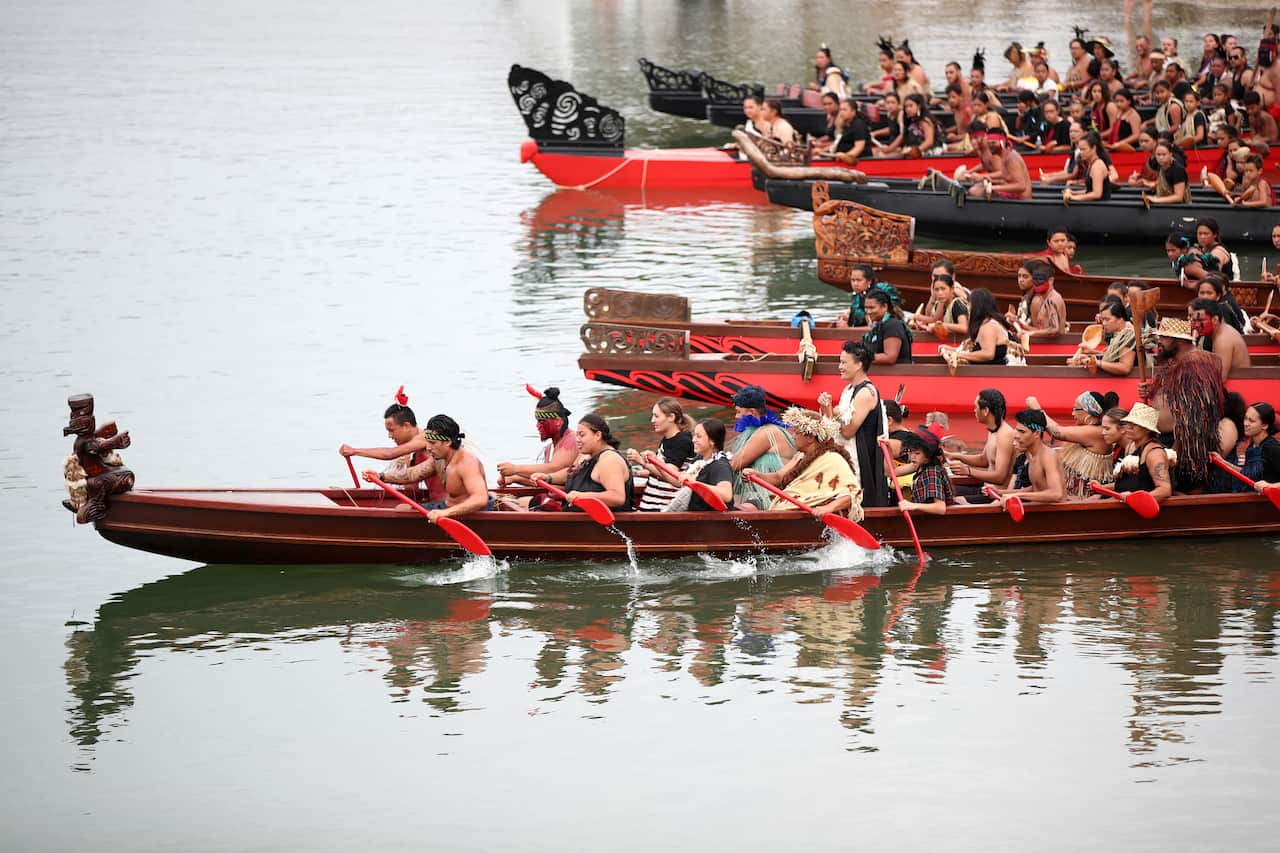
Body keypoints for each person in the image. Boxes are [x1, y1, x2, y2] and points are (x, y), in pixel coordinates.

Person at [1139, 317, 1226, 491]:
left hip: (1183, 447)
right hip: (1166, 441)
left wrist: (1174, 452)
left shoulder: (1195, 366)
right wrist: (1152, 391)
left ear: (1177, 340)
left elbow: (1192, 417)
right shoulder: (1176, 362)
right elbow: (1172, 398)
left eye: (1164, 338)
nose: (1159, 342)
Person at [744, 407, 863, 519]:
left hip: (809, 520)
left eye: (796, 432)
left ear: (810, 438)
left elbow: (853, 494)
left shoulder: (833, 459)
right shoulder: (799, 457)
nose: (793, 436)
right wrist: (757, 475)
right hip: (789, 516)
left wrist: (828, 508)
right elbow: (779, 477)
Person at [371, 414, 493, 520]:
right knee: (402, 508)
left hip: (468, 514)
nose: (428, 448)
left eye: (433, 443)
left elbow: (480, 498)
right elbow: (412, 474)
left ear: (448, 442)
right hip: (446, 508)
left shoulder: (467, 463)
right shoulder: (438, 460)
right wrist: (381, 476)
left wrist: (445, 513)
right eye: (428, 442)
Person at [817, 341, 890, 507]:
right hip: (850, 453)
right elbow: (839, 413)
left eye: (843, 362)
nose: (839, 367)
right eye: (840, 362)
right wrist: (826, 407)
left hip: (862, 459)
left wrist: (828, 410)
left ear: (859, 365)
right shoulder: (849, 389)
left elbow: (848, 431)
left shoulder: (865, 392)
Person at [340, 387, 444, 502]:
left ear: (406, 426)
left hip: (444, 506)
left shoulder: (426, 438)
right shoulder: (412, 452)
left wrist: (354, 451)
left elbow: (390, 453)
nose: (390, 436)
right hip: (435, 503)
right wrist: (404, 464)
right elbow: (411, 490)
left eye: (392, 430)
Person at [531, 413, 634, 511]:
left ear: (598, 435)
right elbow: (571, 473)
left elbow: (617, 497)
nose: (577, 440)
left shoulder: (609, 460)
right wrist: (548, 477)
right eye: (577, 435)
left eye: (582, 435)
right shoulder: (586, 454)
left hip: (596, 525)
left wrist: (582, 496)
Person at [1028, 391, 1120, 497]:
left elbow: (1057, 432)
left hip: (1086, 500)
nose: (1073, 414)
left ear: (1089, 411)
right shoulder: (1088, 431)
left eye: (1076, 409)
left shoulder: (1098, 432)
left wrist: (1037, 409)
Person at [728, 385, 795, 509]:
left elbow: (734, 464)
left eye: (738, 412)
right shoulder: (756, 431)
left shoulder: (767, 432)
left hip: (772, 497)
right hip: (756, 496)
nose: (736, 417)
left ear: (752, 412)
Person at [496, 386, 578, 487]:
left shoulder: (572, 440)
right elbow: (545, 480)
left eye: (542, 421)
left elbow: (554, 469)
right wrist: (515, 478)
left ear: (558, 422)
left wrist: (515, 469)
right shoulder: (549, 449)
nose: (537, 426)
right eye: (537, 421)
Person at [626, 397, 696, 512]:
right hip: (652, 505)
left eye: (656, 416)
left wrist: (643, 461)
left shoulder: (681, 441)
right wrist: (636, 473)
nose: (652, 420)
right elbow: (659, 472)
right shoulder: (668, 439)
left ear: (671, 417)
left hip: (663, 508)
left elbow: (671, 474)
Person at [946, 388, 1017, 497]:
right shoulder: (994, 430)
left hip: (995, 497)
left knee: (949, 497)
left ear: (985, 411)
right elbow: (983, 460)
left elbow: (1000, 477)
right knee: (945, 489)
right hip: (984, 490)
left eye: (976, 407)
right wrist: (954, 456)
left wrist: (968, 471)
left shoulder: (1005, 435)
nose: (974, 410)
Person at [658, 418, 735, 513]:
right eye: (694, 435)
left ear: (712, 441)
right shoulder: (698, 459)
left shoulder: (720, 465)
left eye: (698, 436)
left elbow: (726, 495)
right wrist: (656, 464)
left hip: (712, 523)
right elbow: (678, 482)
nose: (693, 440)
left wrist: (695, 484)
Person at [991, 409, 1066, 504]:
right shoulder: (1032, 457)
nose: (1016, 435)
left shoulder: (1048, 456)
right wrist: (1001, 492)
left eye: (1022, 431)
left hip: (1057, 516)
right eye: (1017, 430)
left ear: (1037, 433)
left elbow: (1056, 494)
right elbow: (1036, 489)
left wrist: (1017, 495)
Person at [1108, 402, 1173, 503]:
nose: (1128, 427)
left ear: (1147, 430)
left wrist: (1135, 498)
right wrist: (1101, 487)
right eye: (1128, 423)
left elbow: (1164, 490)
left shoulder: (1154, 453)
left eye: (1134, 424)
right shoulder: (1132, 447)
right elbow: (1132, 483)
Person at [1212, 403, 1280, 491]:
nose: (1245, 423)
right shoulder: (1252, 446)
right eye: (1245, 418)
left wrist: (1271, 486)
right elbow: (1246, 473)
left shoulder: (1272, 448)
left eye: (1251, 421)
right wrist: (1221, 461)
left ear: (1265, 425)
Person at [894, 426, 955, 515]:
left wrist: (913, 505)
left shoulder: (932, 472)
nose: (912, 457)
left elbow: (940, 508)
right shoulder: (919, 465)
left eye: (917, 453)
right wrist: (888, 447)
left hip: (935, 522)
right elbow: (891, 472)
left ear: (927, 455)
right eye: (910, 452)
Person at [1068, 297, 1137, 376]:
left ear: (1120, 319)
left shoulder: (1128, 336)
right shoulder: (1118, 335)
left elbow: (1125, 367)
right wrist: (1091, 355)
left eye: (1107, 319)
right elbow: (1113, 358)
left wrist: (1097, 362)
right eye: (1103, 320)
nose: (1104, 323)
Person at [944, 287, 1011, 365]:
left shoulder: (988, 327)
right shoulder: (988, 322)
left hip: (992, 374)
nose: (968, 308)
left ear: (977, 306)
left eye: (970, 304)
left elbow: (988, 354)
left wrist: (959, 355)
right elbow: (976, 350)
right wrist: (953, 350)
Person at [1190, 298, 1251, 381]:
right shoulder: (1221, 332)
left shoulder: (1223, 340)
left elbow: (1219, 379)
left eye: (1200, 320)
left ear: (1215, 320)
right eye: (1194, 320)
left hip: (1238, 388)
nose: (1196, 325)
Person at [969, 128, 1032, 198]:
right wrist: (987, 178)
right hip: (1013, 194)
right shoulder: (1004, 156)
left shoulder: (1011, 158)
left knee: (976, 191)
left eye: (993, 143)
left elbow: (1021, 186)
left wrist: (993, 188)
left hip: (1021, 199)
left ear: (1002, 142)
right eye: (988, 144)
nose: (990, 147)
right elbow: (1006, 176)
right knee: (976, 188)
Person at [909, 273, 969, 337]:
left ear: (952, 289)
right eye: (936, 290)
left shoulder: (957, 304)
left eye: (943, 289)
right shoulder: (941, 304)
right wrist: (925, 327)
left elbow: (964, 328)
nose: (940, 293)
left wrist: (940, 325)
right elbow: (938, 324)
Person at [862, 289, 913, 364]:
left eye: (872, 308)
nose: (868, 311)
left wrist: (860, 357)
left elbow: (890, 358)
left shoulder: (892, 325)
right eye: (866, 307)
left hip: (898, 374)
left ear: (885, 307)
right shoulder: (880, 325)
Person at [1063, 131, 1113, 201]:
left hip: (1101, 208)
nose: (1081, 153)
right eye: (1080, 149)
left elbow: (1097, 194)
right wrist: (1073, 193)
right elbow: (1090, 191)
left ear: (1093, 148)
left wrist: (1074, 197)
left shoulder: (1097, 166)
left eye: (1083, 149)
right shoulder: (1092, 164)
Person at [1142, 140, 1190, 205]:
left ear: (1170, 154)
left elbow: (1178, 197)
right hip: (1165, 205)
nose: (1161, 157)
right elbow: (1164, 182)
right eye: (1158, 155)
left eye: (1164, 154)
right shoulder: (1161, 166)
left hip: (1181, 208)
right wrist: (1153, 185)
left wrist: (1156, 199)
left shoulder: (1178, 170)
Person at [829, 98, 871, 163]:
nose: (841, 112)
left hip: (858, 161)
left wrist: (845, 156)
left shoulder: (858, 125)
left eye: (844, 110)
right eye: (840, 110)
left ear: (853, 112)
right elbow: (837, 142)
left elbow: (859, 148)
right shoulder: (845, 124)